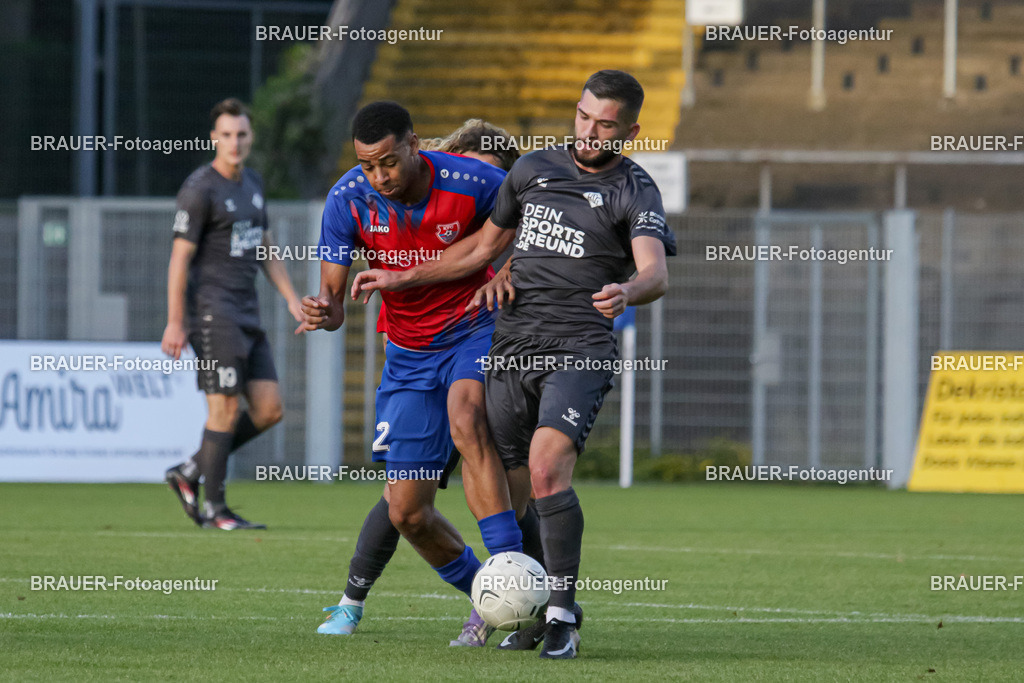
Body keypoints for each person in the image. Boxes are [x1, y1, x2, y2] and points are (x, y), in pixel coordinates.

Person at [351, 70, 678, 659]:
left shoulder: (636, 189)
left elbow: (655, 269)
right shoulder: (531, 170)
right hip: (512, 346)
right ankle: (522, 609)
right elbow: (481, 248)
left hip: (578, 347)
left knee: (548, 466)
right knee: (512, 491)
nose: (589, 131)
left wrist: (631, 290)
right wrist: (403, 277)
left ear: (629, 130)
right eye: (583, 116)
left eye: (605, 124)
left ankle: (559, 621)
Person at [297, 103, 525, 642]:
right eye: (368, 165)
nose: (379, 177)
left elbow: (532, 230)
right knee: (407, 512)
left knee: (466, 417)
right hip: (406, 352)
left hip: (474, 328)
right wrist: (323, 312)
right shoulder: (347, 199)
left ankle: (515, 568)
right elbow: (332, 304)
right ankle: (495, 596)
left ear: (415, 145)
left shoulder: (475, 179)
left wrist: (508, 271)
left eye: (388, 163)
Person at [162, 97, 303, 531]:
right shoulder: (200, 188)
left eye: (241, 134)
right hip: (213, 314)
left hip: (248, 312)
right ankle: (216, 509)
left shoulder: (253, 184)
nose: (235, 142)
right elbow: (179, 260)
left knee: (269, 409)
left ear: (250, 137)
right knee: (221, 411)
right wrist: (175, 320)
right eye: (226, 135)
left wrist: (291, 298)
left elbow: (265, 247)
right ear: (214, 139)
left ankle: (190, 470)